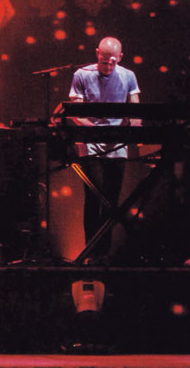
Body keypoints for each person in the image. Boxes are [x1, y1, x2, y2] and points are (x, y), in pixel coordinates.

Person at [68, 36, 140, 263]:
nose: (108, 66)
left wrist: (135, 128)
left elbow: (136, 110)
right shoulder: (82, 75)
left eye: (112, 62)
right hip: (91, 143)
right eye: (103, 61)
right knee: (94, 198)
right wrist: (97, 131)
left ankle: (104, 254)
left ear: (120, 57)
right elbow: (76, 114)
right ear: (97, 53)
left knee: (112, 200)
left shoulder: (128, 76)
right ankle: (91, 252)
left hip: (117, 143)